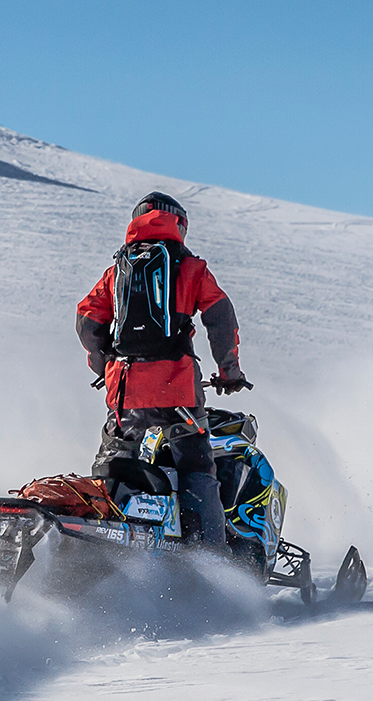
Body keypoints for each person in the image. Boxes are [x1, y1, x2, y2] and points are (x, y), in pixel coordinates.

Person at [76, 192, 246, 549]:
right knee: (197, 466)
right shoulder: (190, 267)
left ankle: (95, 542)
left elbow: (87, 319)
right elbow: (220, 317)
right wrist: (229, 371)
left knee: (114, 461)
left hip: (124, 392)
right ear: (179, 223)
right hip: (177, 391)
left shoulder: (116, 270)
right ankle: (207, 557)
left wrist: (103, 363)